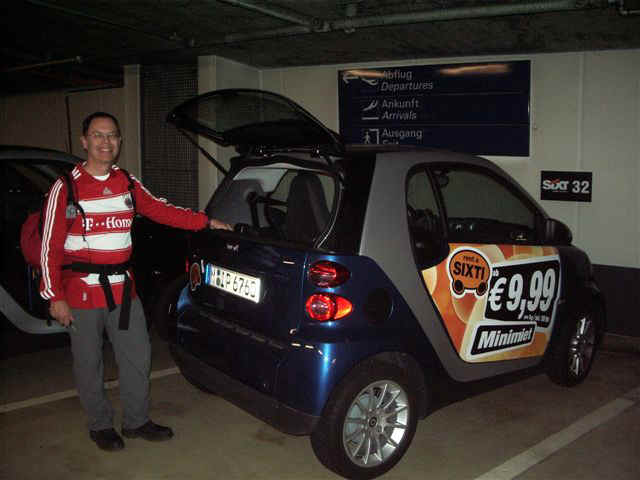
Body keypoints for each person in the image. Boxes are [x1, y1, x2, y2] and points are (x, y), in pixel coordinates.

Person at [40, 111, 231, 451]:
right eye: (98, 136)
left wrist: (205, 222)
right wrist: (55, 296)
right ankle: (100, 425)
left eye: (112, 135)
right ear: (84, 142)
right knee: (88, 362)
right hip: (81, 294)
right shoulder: (65, 187)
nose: (105, 142)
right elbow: (50, 246)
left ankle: (136, 421)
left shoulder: (126, 182)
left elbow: (161, 209)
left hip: (123, 291)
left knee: (137, 355)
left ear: (119, 142)